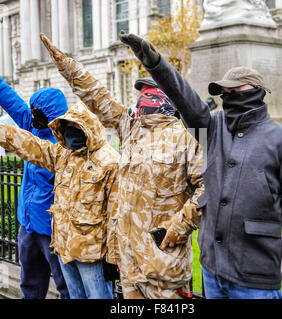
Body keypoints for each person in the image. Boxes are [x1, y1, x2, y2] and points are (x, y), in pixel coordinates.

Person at [120, 32, 282, 299]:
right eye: (225, 90)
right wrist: (155, 63)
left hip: (254, 276)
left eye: (234, 89)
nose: (227, 94)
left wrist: (262, 219)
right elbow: (184, 98)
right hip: (213, 269)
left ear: (255, 91)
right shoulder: (213, 127)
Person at [40, 33, 204, 299]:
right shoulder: (131, 128)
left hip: (163, 267)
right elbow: (96, 95)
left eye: (150, 92)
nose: (142, 98)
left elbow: (206, 190)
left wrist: (177, 228)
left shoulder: (191, 135)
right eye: (141, 92)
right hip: (129, 266)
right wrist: (66, 65)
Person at [0, 101, 120, 299]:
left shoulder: (110, 162)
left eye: (76, 126)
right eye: (67, 126)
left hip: (93, 255)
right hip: (65, 249)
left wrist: (113, 259)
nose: (71, 131)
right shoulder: (63, 154)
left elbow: (117, 215)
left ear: (89, 127)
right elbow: (32, 145)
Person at [0, 44, 69, 299]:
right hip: (28, 225)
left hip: (53, 231)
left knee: (66, 289)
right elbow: (7, 96)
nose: (31, 114)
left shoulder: (61, 145)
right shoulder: (32, 125)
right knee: (30, 285)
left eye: (37, 111)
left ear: (51, 116)